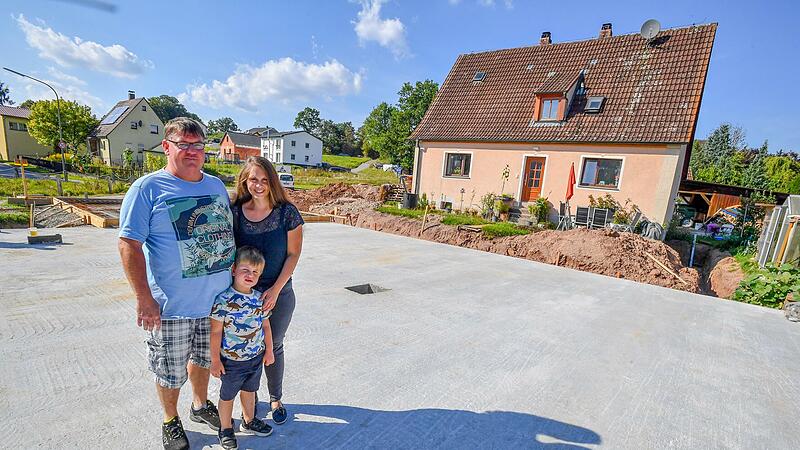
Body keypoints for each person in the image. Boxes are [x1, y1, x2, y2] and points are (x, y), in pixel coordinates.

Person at [118, 117, 235, 450]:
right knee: (169, 370)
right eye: (184, 145)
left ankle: (199, 405)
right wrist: (143, 298)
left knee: (202, 360)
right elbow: (129, 244)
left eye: (198, 146)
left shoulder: (214, 186)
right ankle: (170, 419)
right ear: (166, 147)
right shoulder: (148, 188)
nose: (192, 152)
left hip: (215, 304)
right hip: (172, 306)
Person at [231, 156, 304, 425]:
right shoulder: (235, 212)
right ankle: (250, 402)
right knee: (244, 349)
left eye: (264, 180)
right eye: (253, 179)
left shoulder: (287, 212)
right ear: (245, 181)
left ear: (272, 181)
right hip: (241, 296)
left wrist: (274, 290)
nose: (259, 185)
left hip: (279, 292)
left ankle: (276, 398)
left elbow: (293, 255)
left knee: (273, 345)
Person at [210, 246, 276, 449]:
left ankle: (249, 421)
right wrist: (215, 360)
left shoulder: (259, 299)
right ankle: (226, 428)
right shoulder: (223, 300)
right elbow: (215, 332)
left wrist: (270, 350)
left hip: (255, 358)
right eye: (245, 269)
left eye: (255, 272)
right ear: (233, 269)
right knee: (227, 395)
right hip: (231, 361)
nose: (250, 275)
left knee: (250, 391)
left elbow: (266, 325)